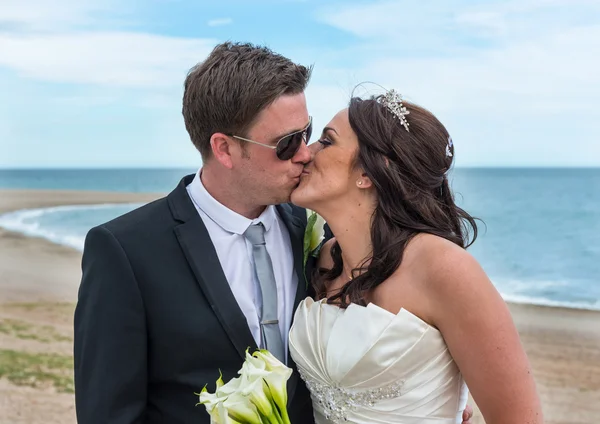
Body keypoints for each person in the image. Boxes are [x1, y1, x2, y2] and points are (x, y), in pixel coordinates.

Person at [73, 42, 475, 423]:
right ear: (225, 149)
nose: (305, 153)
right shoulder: (125, 251)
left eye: (308, 131)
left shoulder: (323, 232)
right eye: (285, 144)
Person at [289, 89, 543, 423]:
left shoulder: (444, 269)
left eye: (327, 140)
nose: (306, 152)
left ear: (369, 171)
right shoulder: (324, 260)